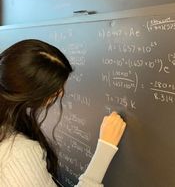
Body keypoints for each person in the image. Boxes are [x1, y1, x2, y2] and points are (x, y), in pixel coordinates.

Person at [0, 39, 126, 186]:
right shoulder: (18, 153)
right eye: (55, 89)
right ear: (31, 94)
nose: (60, 94)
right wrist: (105, 148)